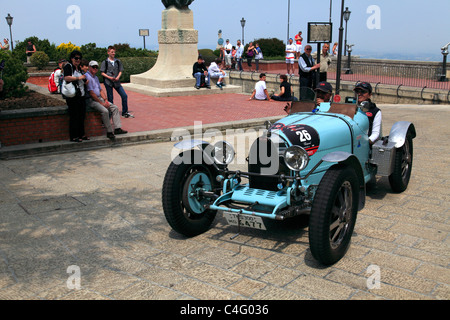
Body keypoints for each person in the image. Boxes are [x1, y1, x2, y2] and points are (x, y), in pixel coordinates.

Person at [85, 61, 128, 140]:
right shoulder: (87, 77)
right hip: (91, 100)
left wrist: (105, 100)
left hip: (99, 98)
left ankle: (117, 128)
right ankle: (109, 131)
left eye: (96, 67)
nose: (95, 68)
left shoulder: (96, 77)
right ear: (89, 67)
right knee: (105, 111)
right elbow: (91, 93)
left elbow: (100, 90)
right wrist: (101, 103)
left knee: (114, 108)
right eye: (93, 67)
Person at [100, 46, 134, 118]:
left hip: (117, 82)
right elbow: (102, 72)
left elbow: (120, 71)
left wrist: (118, 77)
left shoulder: (118, 61)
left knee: (124, 95)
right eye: (112, 52)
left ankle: (125, 112)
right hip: (108, 82)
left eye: (114, 52)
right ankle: (110, 113)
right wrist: (109, 77)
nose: (113, 53)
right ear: (108, 52)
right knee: (110, 98)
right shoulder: (105, 62)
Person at [63, 50, 88, 143]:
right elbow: (66, 77)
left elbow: (82, 79)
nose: (78, 60)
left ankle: (82, 134)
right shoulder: (68, 66)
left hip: (80, 95)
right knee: (74, 116)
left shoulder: (79, 69)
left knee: (82, 116)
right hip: (72, 96)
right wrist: (78, 78)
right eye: (76, 58)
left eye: (79, 58)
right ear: (71, 58)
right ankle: (73, 136)